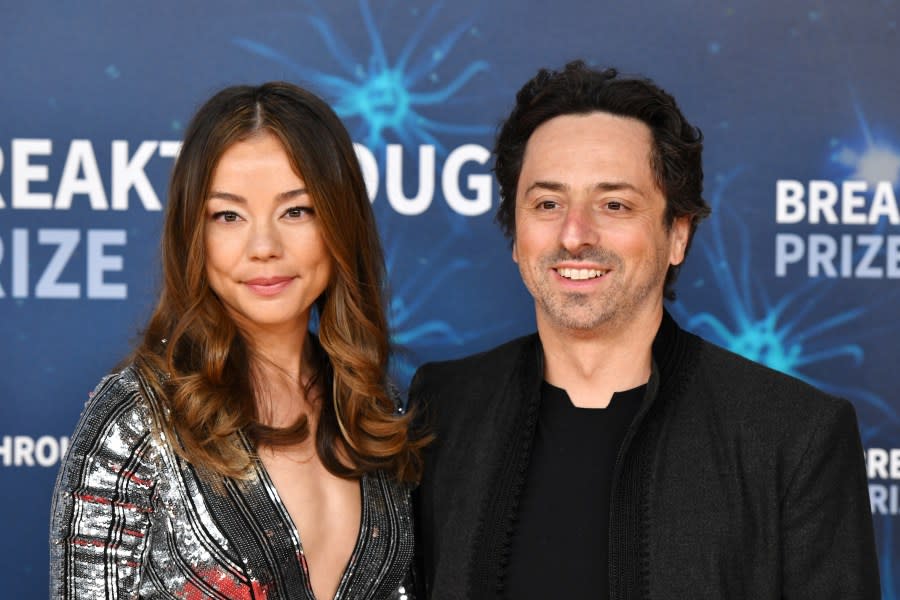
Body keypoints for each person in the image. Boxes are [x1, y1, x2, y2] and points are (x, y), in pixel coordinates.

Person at [410, 61, 880, 599]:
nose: (574, 234)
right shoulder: (444, 408)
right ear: (515, 234)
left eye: (614, 204)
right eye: (547, 203)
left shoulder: (793, 437)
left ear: (677, 234)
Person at [50, 82, 425, 599]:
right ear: (193, 235)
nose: (264, 247)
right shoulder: (139, 417)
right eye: (228, 215)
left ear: (340, 222)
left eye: (297, 211)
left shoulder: (374, 410)